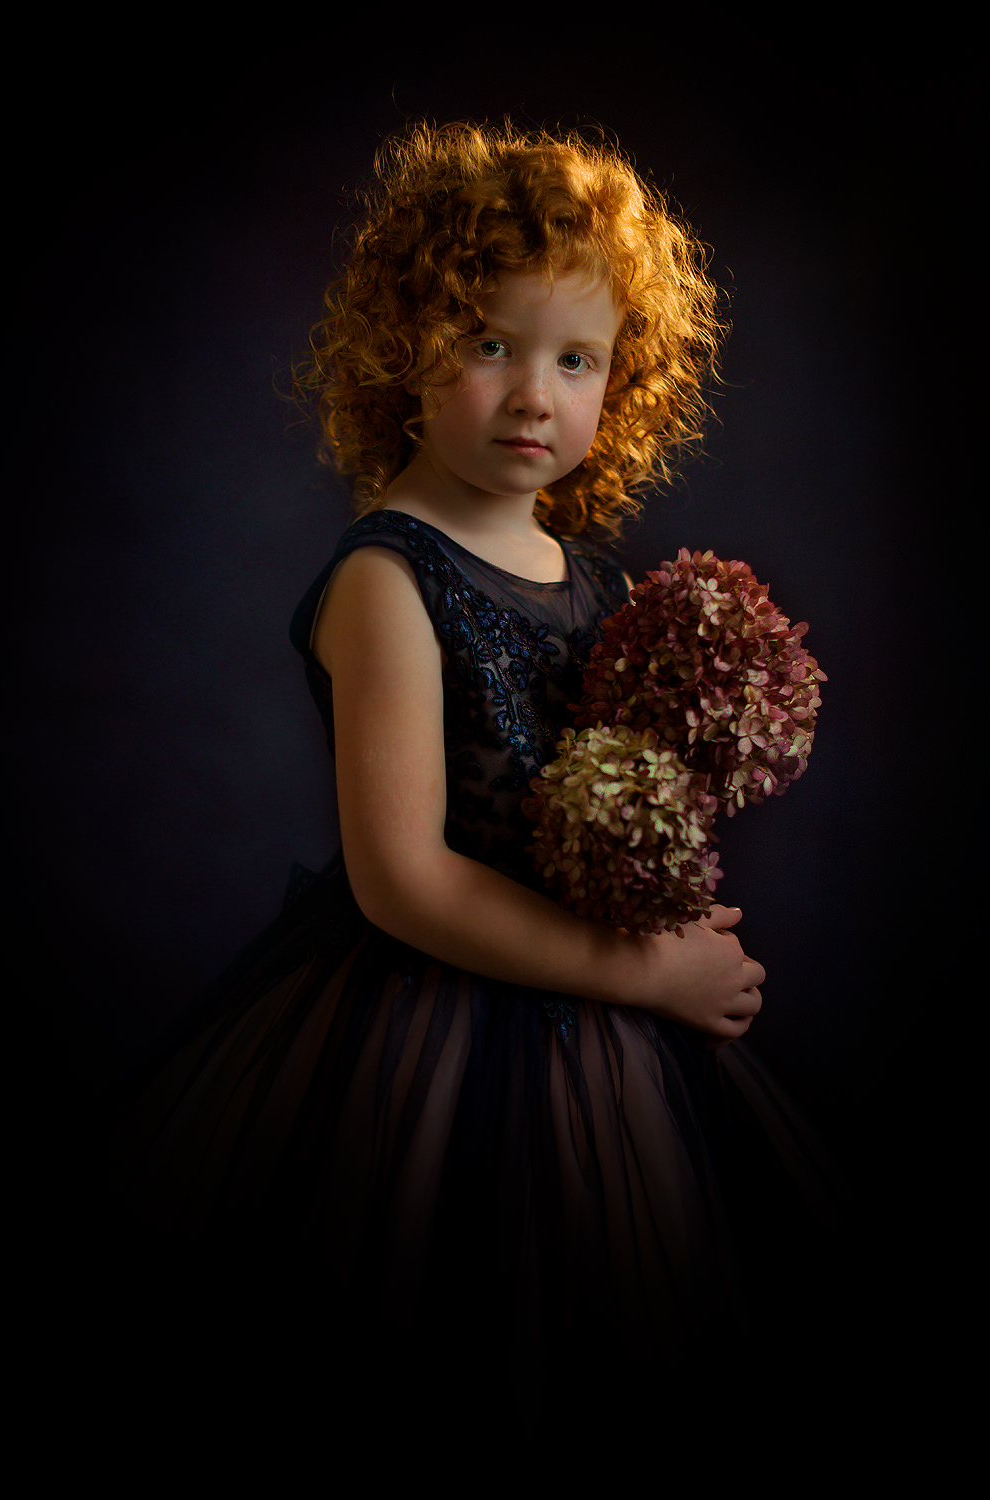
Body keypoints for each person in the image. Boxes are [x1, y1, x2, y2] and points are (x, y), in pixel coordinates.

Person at [115, 120, 842, 1440]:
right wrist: (646, 972)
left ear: (624, 379)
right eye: (488, 342)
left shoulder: (599, 582)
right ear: (406, 345)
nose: (532, 395)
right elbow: (404, 881)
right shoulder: (390, 582)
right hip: (415, 1032)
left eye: (576, 358)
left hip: (601, 1036)